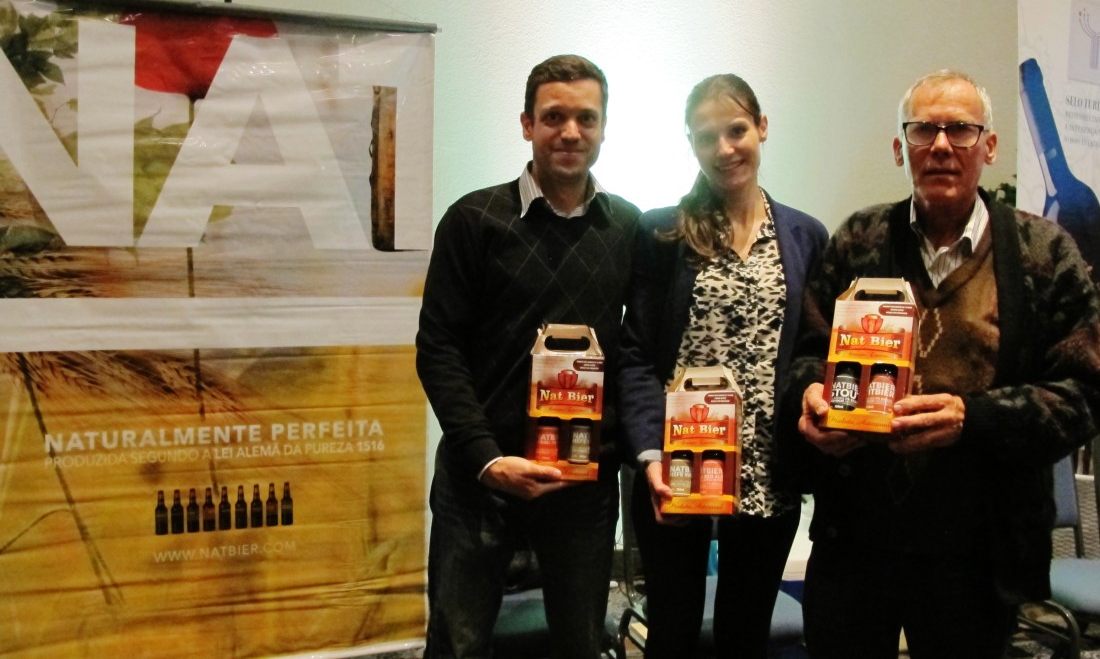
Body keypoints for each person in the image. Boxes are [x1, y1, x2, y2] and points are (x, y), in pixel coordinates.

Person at [785, 69, 1100, 659]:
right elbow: (807, 355)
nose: (941, 145)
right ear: (900, 147)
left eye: (960, 129)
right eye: (923, 129)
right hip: (858, 540)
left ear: (989, 146)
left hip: (977, 551)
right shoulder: (858, 239)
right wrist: (811, 401)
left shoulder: (1044, 252)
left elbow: (1085, 392)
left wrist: (972, 420)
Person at [415, 54, 640, 659]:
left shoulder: (628, 228)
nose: (570, 132)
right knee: (458, 645)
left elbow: (636, 352)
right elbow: (438, 348)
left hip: (582, 482)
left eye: (585, 118)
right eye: (553, 117)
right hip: (480, 479)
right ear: (526, 125)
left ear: (604, 127)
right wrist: (487, 458)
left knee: (579, 645)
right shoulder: (473, 220)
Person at [618, 73, 828, 658]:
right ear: (690, 143)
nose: (724, 148)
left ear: (762, 128)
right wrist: (649, 456)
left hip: (768, 473)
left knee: (745, 634)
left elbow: (814, 351)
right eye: (706, 136)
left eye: (736, 130)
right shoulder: (662, 232)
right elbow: (636, 354)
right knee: (674, 633)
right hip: (678, 467)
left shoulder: (805, 236)